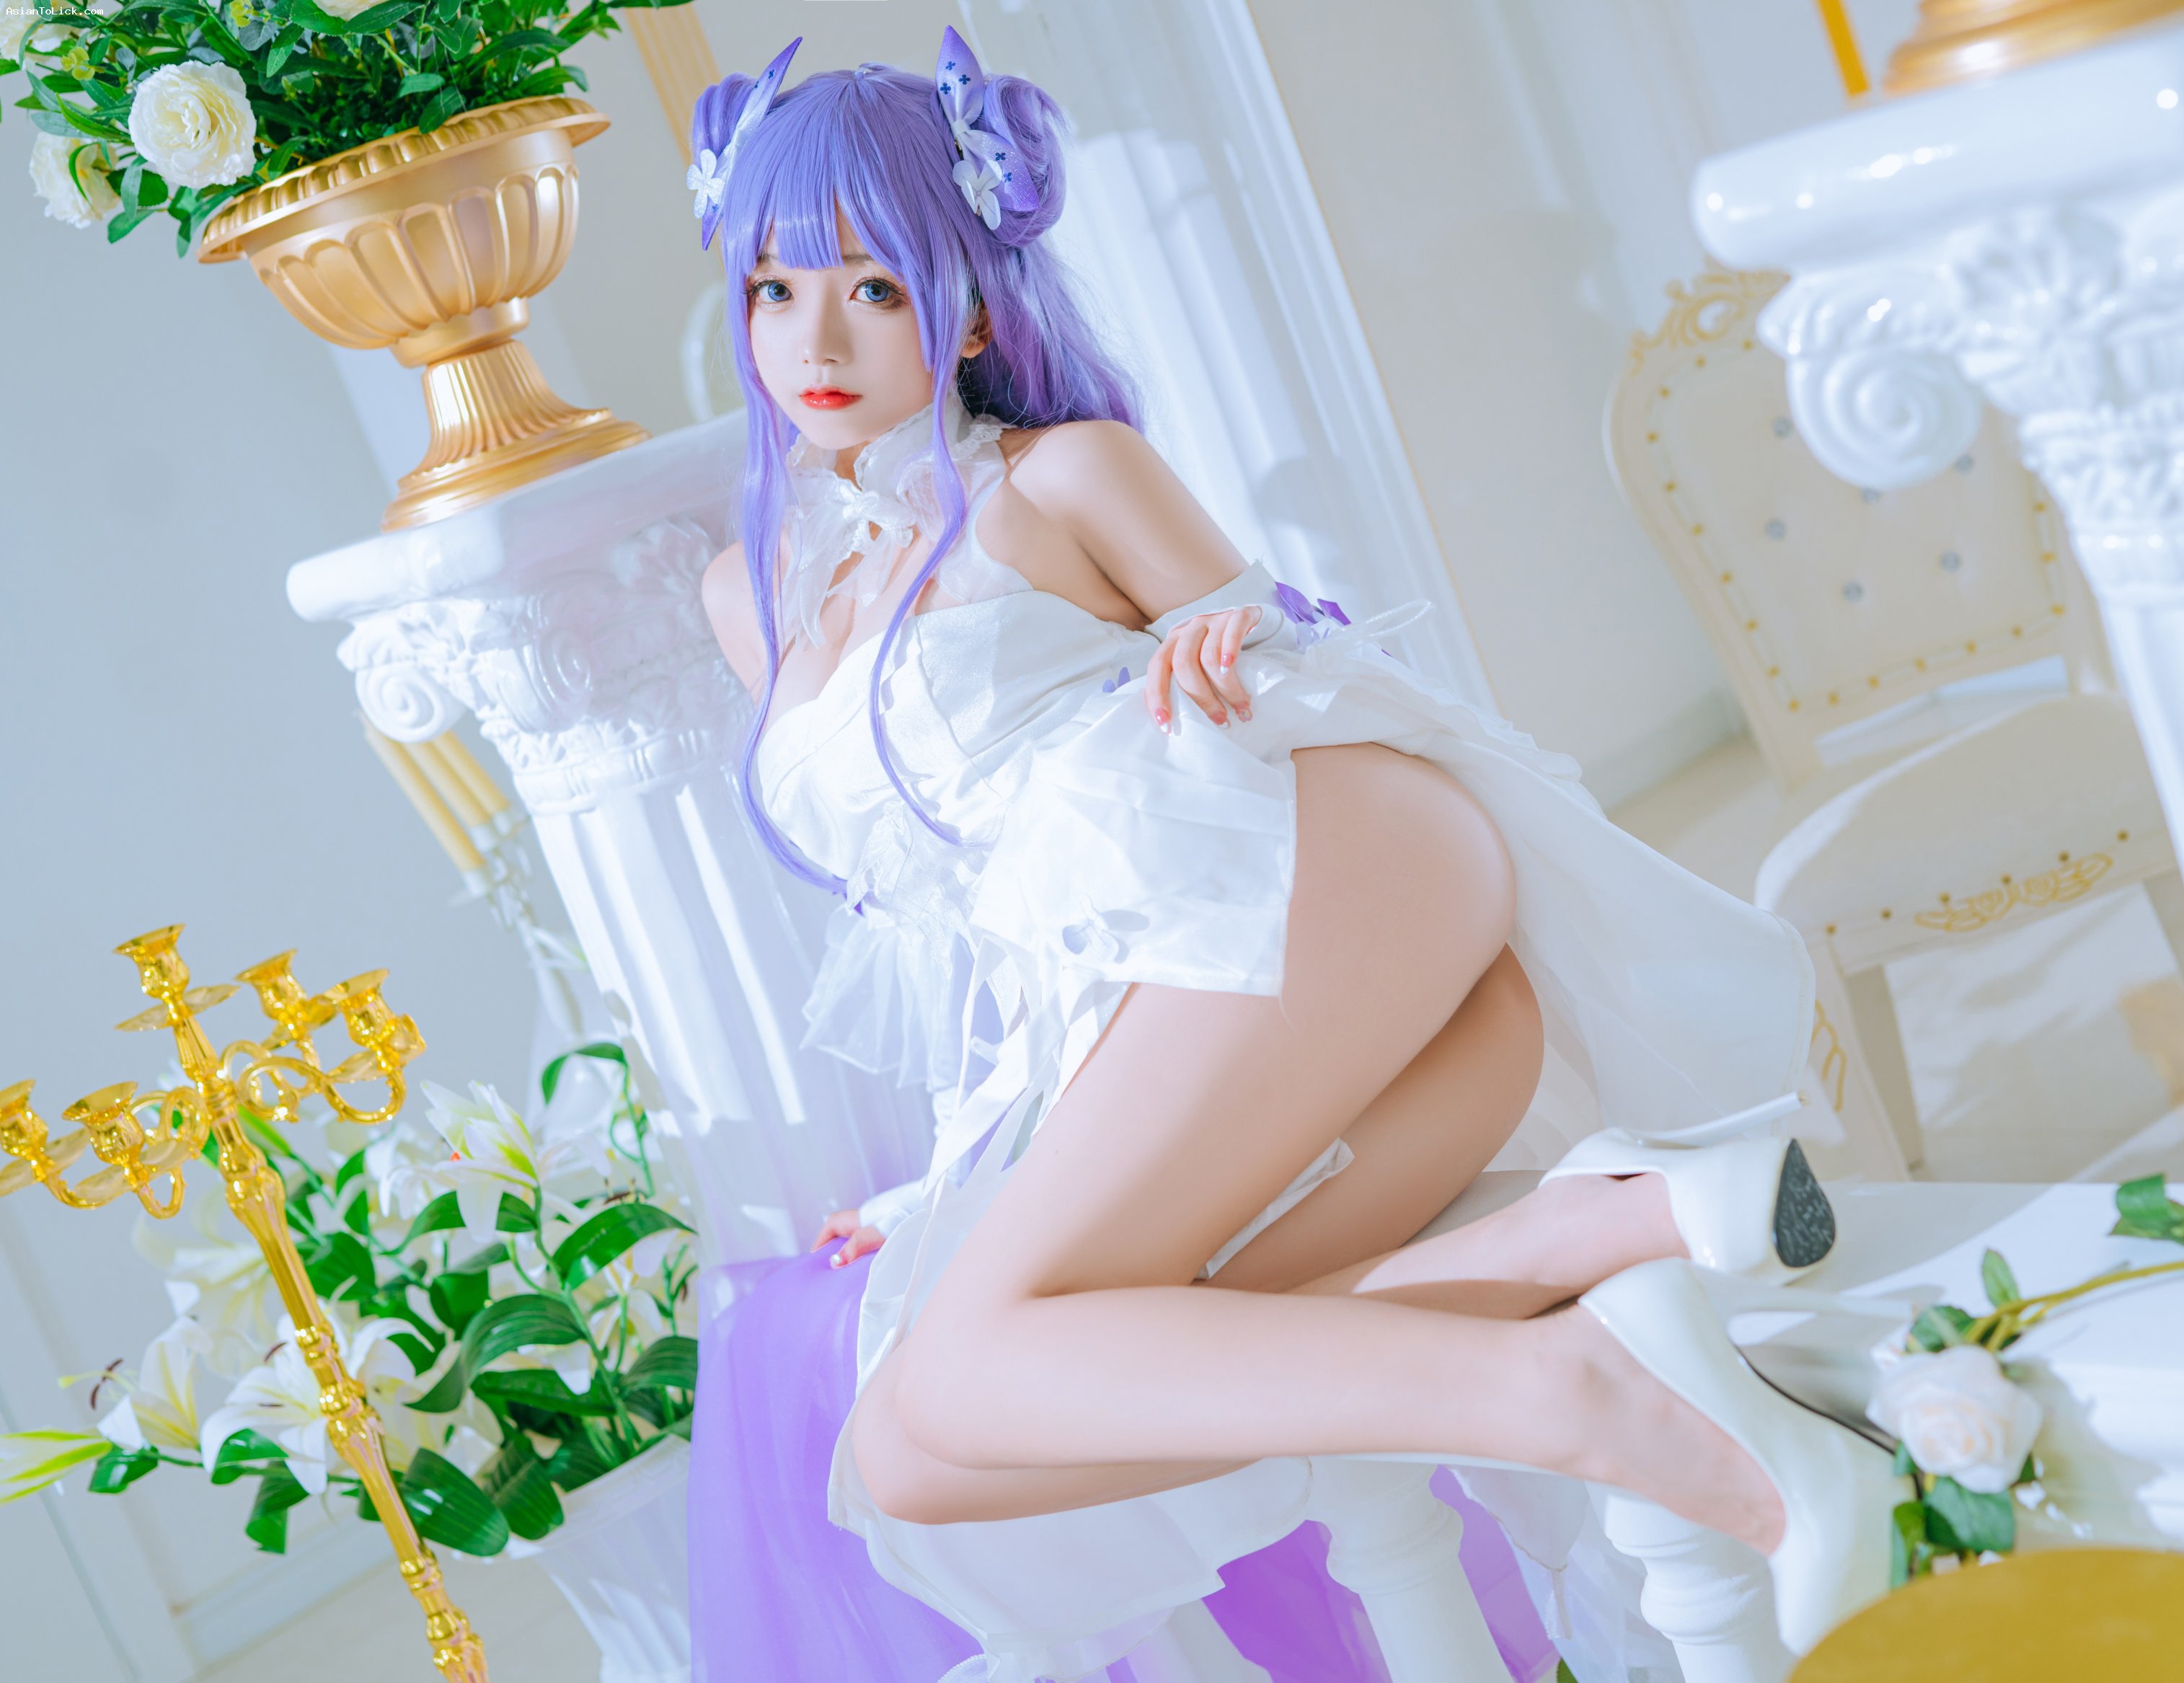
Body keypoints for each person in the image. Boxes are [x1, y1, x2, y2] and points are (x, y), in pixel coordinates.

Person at [684, 31, 1890, 1682]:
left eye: (873, 288)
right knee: (913, 1451)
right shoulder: (753, 597)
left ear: (965, 311)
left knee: (964, 1381)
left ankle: (1624, 1413)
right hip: (1171, 992)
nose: (814, 339)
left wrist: (1234, 641)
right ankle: (1562, 1254)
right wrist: (956, 1183)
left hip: (1315, 874)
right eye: (772, 288)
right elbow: (984, 917)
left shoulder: (1059, 476)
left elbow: (1285, 644)